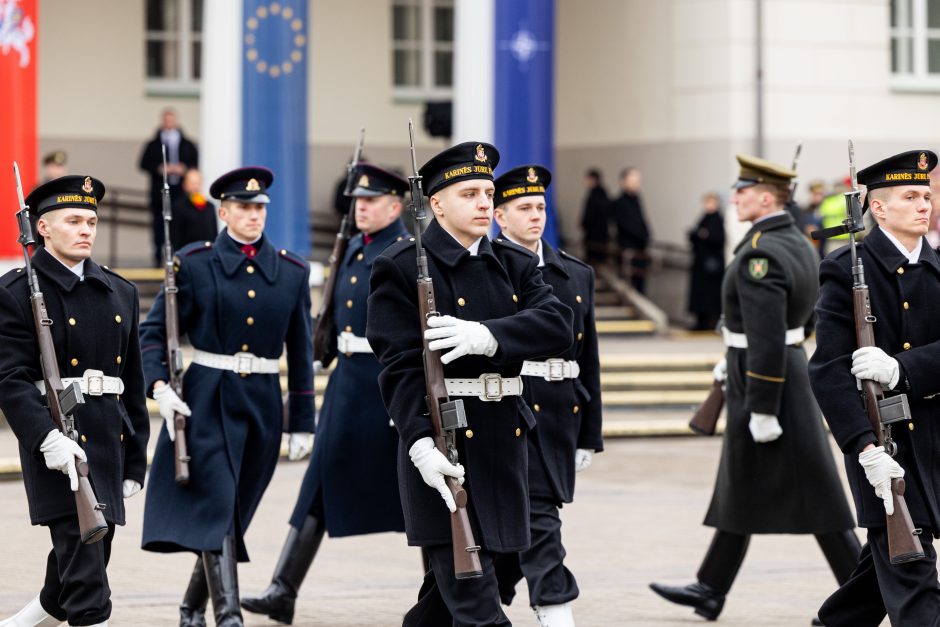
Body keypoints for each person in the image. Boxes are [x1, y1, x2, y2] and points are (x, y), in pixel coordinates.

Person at [366, 142, 574, 626]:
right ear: (436, 204)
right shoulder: (401, 267)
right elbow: (398, 365)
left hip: (504, 446)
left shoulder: (514, 263)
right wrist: (418, 442)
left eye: (488, 193)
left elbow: (558, 325)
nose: (485, 203)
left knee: (454, 602)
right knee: (479, 609)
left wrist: (488, 336)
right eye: (470, 194)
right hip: (446, 449)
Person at [649, 154, 860, 623]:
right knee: (742, 484)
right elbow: (799, 321)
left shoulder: (760, 254)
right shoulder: (799, 243)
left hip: (768, 384)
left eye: (742, 191)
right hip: (780, 369)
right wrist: (734, 361)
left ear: (766, 197)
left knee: (821, 497)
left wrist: (761, 404)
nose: (734, 197)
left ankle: (864, 591)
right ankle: (710, 587)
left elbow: (765, 333)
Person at [139, 167, 315, 627]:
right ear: (223, 212)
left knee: (233, 513)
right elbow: (154, 332)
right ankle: (229, 617)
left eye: (259, 208)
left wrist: (302, 420)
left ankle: (189, 607)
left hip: (262, 403)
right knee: (218, 501)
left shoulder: (292, 271)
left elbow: (302, 351)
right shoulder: (193, 263)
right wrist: (158, 385)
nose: (253, 214)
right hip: (207, 395)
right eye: (243, 207)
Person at [241, 163, 409, 624]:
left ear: (395, 206)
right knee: (317, 484)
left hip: (385, 385)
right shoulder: (355, 246)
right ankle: (283, 589)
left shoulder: (406, 251)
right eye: (357, 200)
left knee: (419, 494)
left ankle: (449, 590)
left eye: (371, 201)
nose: (360, 208)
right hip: (346, 384)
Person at [0, 176, 150, 627]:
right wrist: (46, 439)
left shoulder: (119, 291)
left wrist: (137, 457)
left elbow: (132, 379)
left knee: (80, 568)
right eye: (73, 221)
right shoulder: (16, 292)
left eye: (91, 220)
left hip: (107, 442)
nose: (86, 229)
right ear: (42, 228)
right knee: (87, 582)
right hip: (59, 446)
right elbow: (10, 377)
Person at [809, 150, 940, 626]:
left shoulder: (939, 268)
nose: (924, 205)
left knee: (877, 575)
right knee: (914, 572)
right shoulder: (845, 268)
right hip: (879, 447)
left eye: (927, 195)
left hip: (932, 440)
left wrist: (901, 368)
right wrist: (864, 449)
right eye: (910, 196)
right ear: (878, 208)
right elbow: (827, 369)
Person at [491, 165, 603, 626]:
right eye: (523, 208)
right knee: (539, 520)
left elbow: (589, 359)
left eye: (540, 207)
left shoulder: (574, 273)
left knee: (516, 530)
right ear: (500, 216)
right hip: (511, 406)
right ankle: (555, 609)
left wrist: (588, 435)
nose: (535, 216)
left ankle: (456, 605)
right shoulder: (490, 270)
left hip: (560, 412)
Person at [139, 108, 199, 266]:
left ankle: (181, 257)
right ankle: (158, 258)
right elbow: (143, 163)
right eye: (166, 120)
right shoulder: (153, 143)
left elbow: (195, 163)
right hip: (160, 193)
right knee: (159, 227)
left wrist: (183, 169)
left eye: (172, 120)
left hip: (180, 193)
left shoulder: (187, 144)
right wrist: (159, 168)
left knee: (180, 225)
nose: (169, 124)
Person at [687, 191, 725, 331]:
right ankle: (700, 321)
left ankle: (709, 322)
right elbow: (695, 234)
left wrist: (704, 235)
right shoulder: (704, 218)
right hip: (700, 265)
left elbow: (717, 238)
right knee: (699, 296)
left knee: (710, 296)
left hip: (711, 267)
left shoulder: (717, 219)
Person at [610, 167, 651, 293]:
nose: (636, 184)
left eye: (637, 181)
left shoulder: (637, 200)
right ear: (624, 182)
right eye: (632, 181)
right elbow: (627, 226)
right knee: (630, 286)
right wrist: (643, 236)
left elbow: (641, 222)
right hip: (629, 250)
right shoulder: (619, 203)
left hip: (639, 250)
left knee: (640, 286)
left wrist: (646, 235)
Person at [169, 169, 217, 253]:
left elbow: (214, 233)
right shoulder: (178, 206)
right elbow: (175, 235)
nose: (195, 186)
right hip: (186, 253)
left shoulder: (209, 206)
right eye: (192, 183)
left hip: (207, 252)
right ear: (185, 185)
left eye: (198, 183)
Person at [579, 169, 609, 265]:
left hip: (595, 237)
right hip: (601, 236)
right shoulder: (602, 194)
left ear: (593, 180)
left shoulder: (595, 196)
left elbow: (590, 216)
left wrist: (584, 224)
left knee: (594, 262)